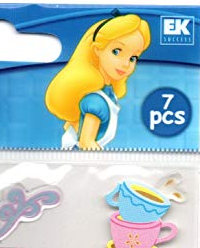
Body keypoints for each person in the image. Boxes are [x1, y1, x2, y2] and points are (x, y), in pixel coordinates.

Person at [45, 12, 151, 150]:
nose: (126, 64)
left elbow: (70, 126)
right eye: (116, 51)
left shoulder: (108, 95)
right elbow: (86, 142)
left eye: (132, 58)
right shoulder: (96, 101)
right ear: (97, 50)